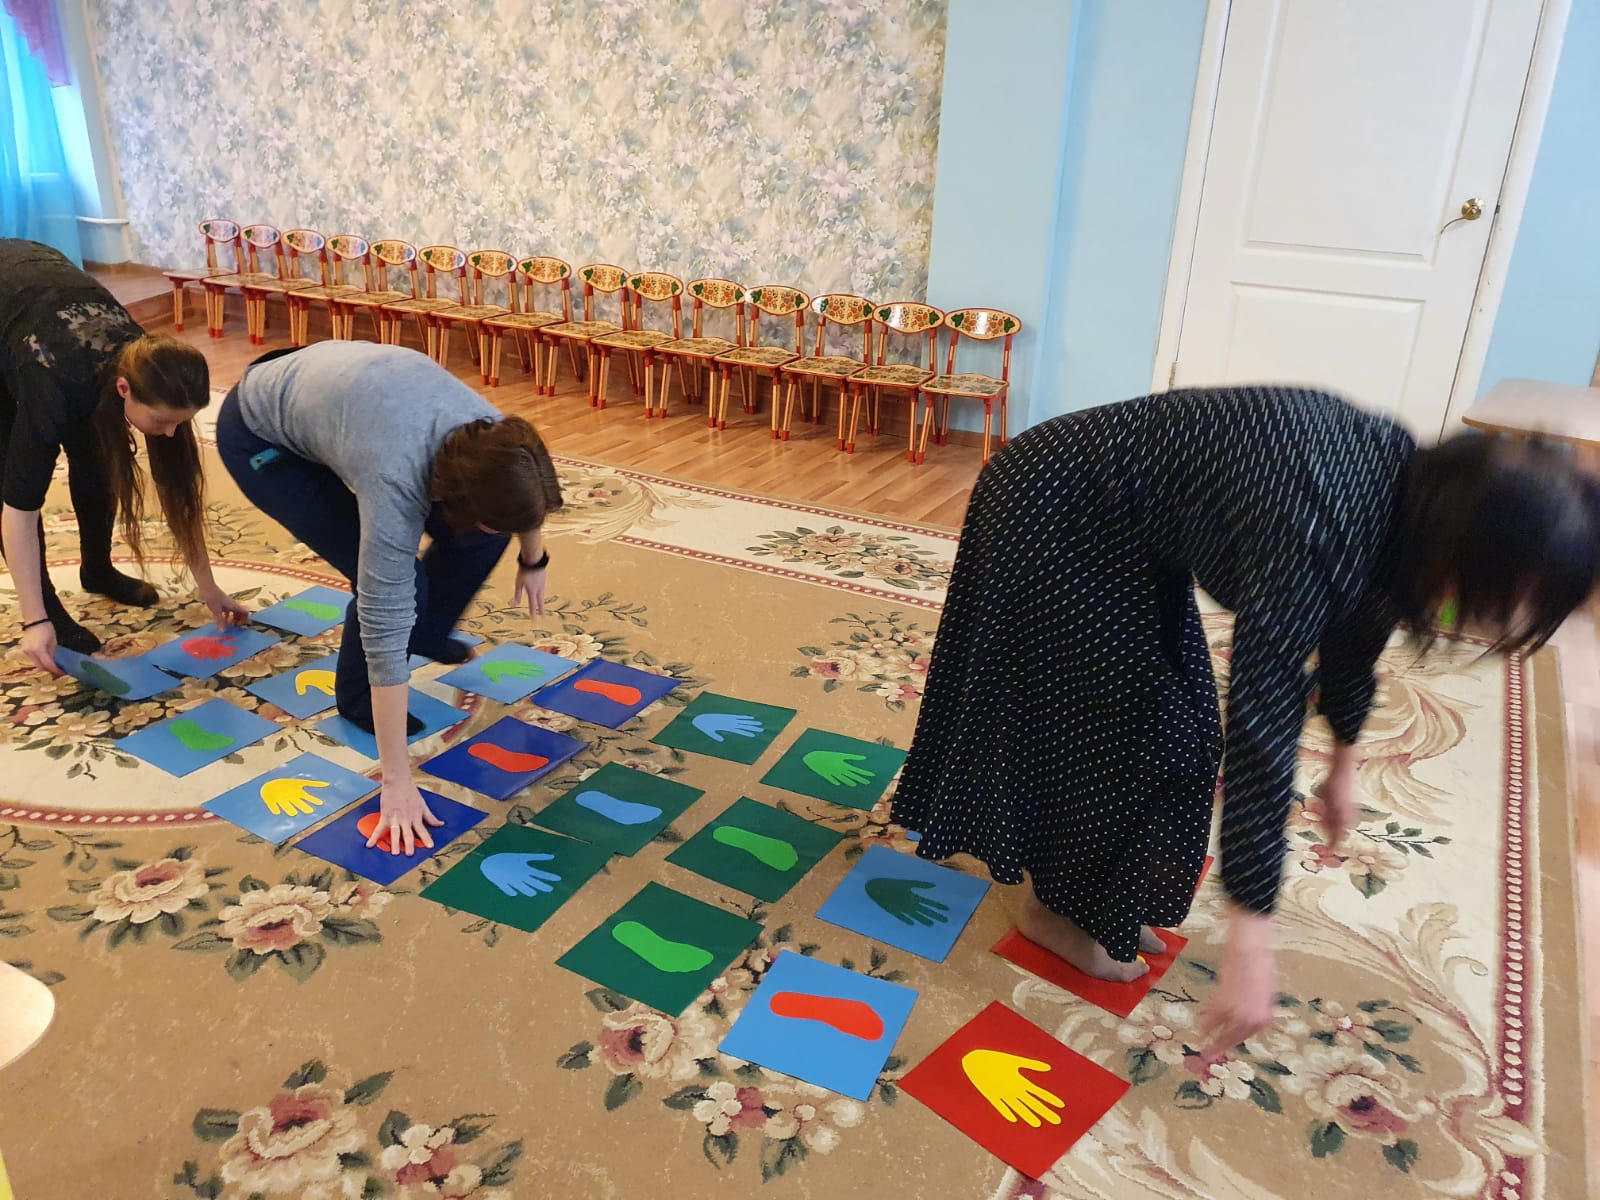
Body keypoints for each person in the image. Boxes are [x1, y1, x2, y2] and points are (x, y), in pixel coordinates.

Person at [892, 386, 1600, 1053]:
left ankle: (1099, 898)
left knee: (1181, 731)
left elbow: (1358, 636)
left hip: (1129, 525)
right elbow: (1264, 724)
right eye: (1510, 593)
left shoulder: (1410, 508)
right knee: (1114, 728)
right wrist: (1250, 941)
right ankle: (1053, 908)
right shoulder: (1319, 522)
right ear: (1471, 545)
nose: (1497, 613)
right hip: (1053, 500)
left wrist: (1343, 766)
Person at [216, 340, 563, 856]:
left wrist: (533, 559)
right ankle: (356, 698)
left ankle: (426, 633)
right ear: (455, 493)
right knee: (403, 589)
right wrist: (397, 779)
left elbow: (523, 501)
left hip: (347, 400)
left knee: (483, 536)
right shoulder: (395, 477)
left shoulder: (499, 438)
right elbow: (384, 610)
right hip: (262, 435)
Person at [0, 240, 248, 669]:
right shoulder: (51, 383)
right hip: (21, 323)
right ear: (123, 389)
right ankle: (50, 613)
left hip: (45, 292)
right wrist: (35, 619)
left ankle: (97, 570)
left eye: (180, 422)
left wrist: (208, 588)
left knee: (98, 456)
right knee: (12, 474)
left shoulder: (151, 363)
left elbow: (180, 494)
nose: (169, 433)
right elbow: (19, 510)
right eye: (162, 421)